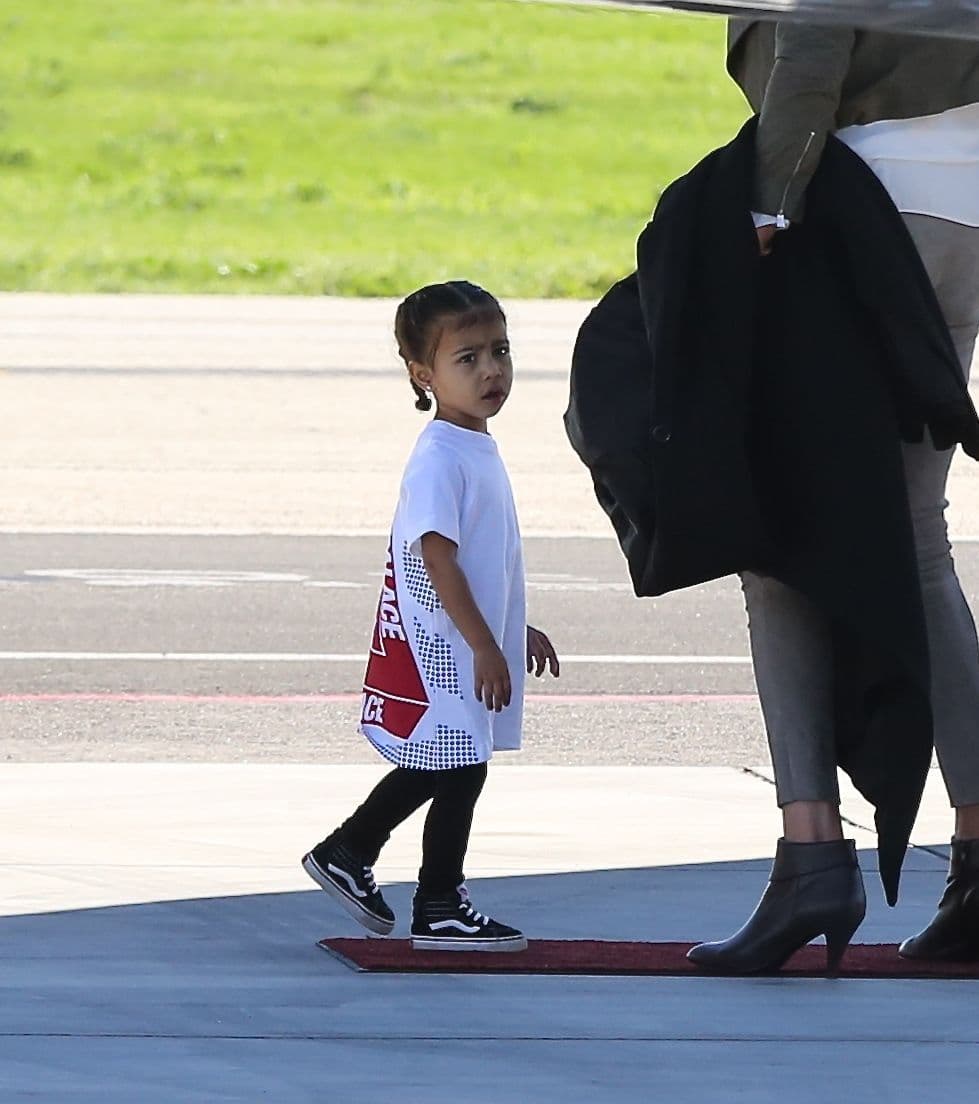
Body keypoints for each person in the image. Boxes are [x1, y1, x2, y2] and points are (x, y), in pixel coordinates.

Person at [687, 20, 979, 971]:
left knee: (773, 539)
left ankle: (810, 855)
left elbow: (809, 44)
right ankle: (977, 859)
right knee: (916, 541)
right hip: (963, 206)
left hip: (865, 199)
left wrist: (768, 200)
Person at [302, 280, 559, 952]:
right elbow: (438, 558)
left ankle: (398, 876)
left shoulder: (472, 446)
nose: (492, 370)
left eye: (499, 350)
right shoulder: (441, 456)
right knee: (452, 759)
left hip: (463, 634)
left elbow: (482, 558)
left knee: (458, 761)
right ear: (424, 375)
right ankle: (379, 866)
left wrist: (510, 628)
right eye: (467, 358)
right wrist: (482, 644)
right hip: (442, 642)